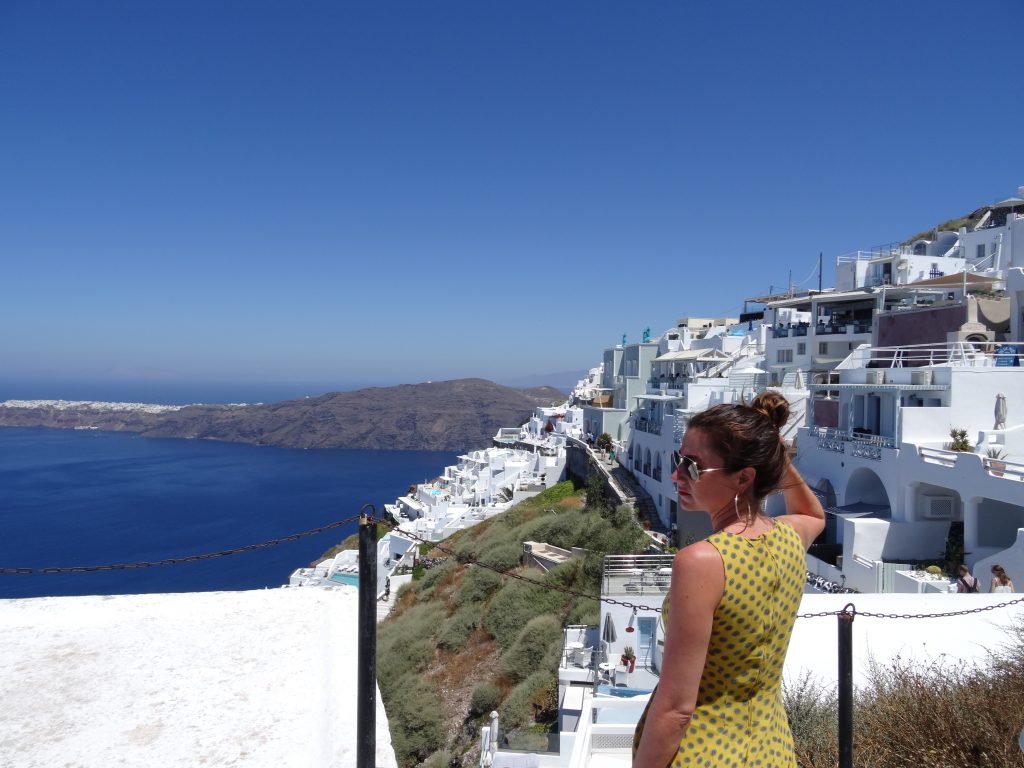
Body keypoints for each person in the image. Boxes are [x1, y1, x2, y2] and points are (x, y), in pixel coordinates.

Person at [632, 392, 825, 768]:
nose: (676, 474)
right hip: (773, 752)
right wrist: (772, 446)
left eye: (692, 466)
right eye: (678, 459)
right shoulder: (789, 537)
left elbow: (676, 710)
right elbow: (813, 513)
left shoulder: (703, 561)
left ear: (743, 478)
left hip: (705, 754)